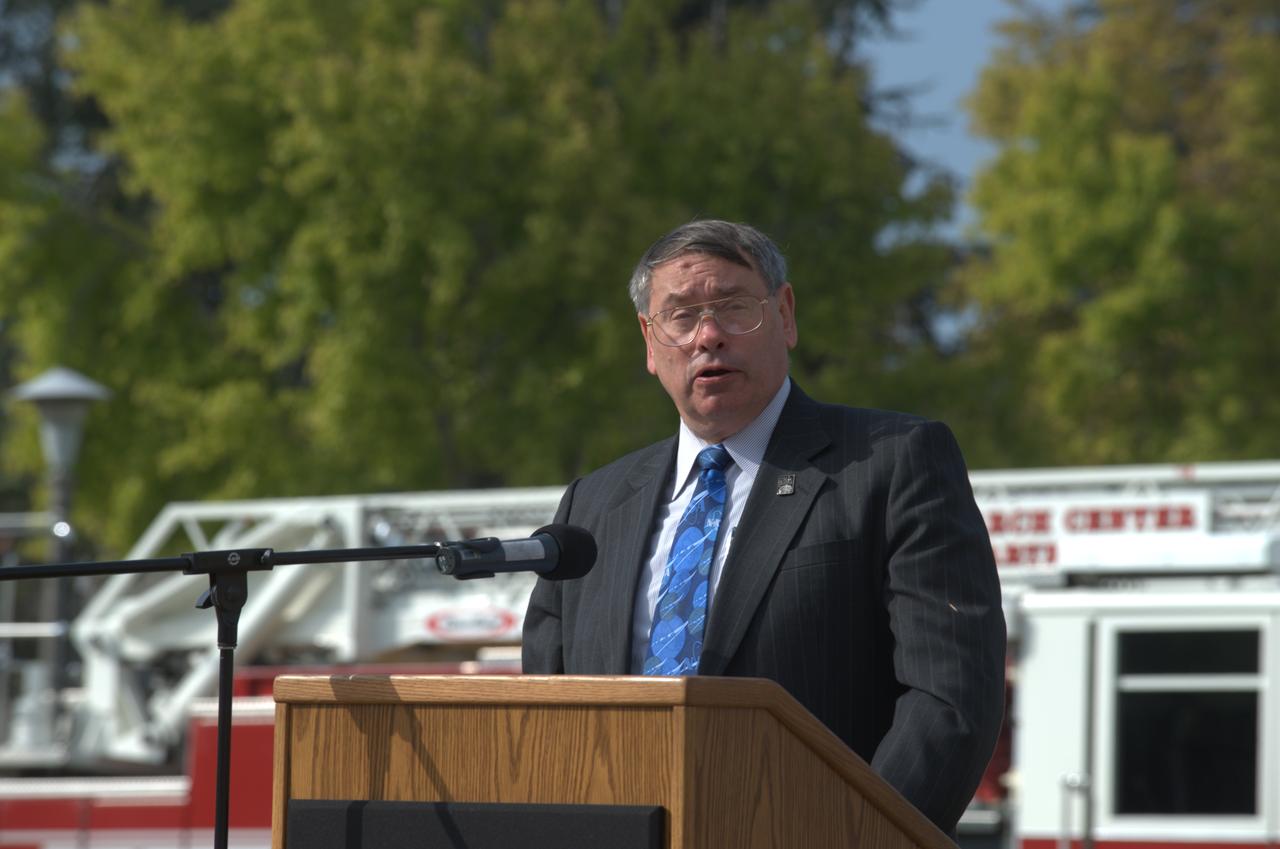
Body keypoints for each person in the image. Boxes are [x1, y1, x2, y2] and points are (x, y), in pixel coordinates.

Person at [522, 219, 1005, 834]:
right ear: (649, 341)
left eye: (733, 307)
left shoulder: (895, 462)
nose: (709, 336)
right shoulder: (590, 507)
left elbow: (950, 699)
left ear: (785, 314)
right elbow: (547, 716)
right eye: (681, 315)